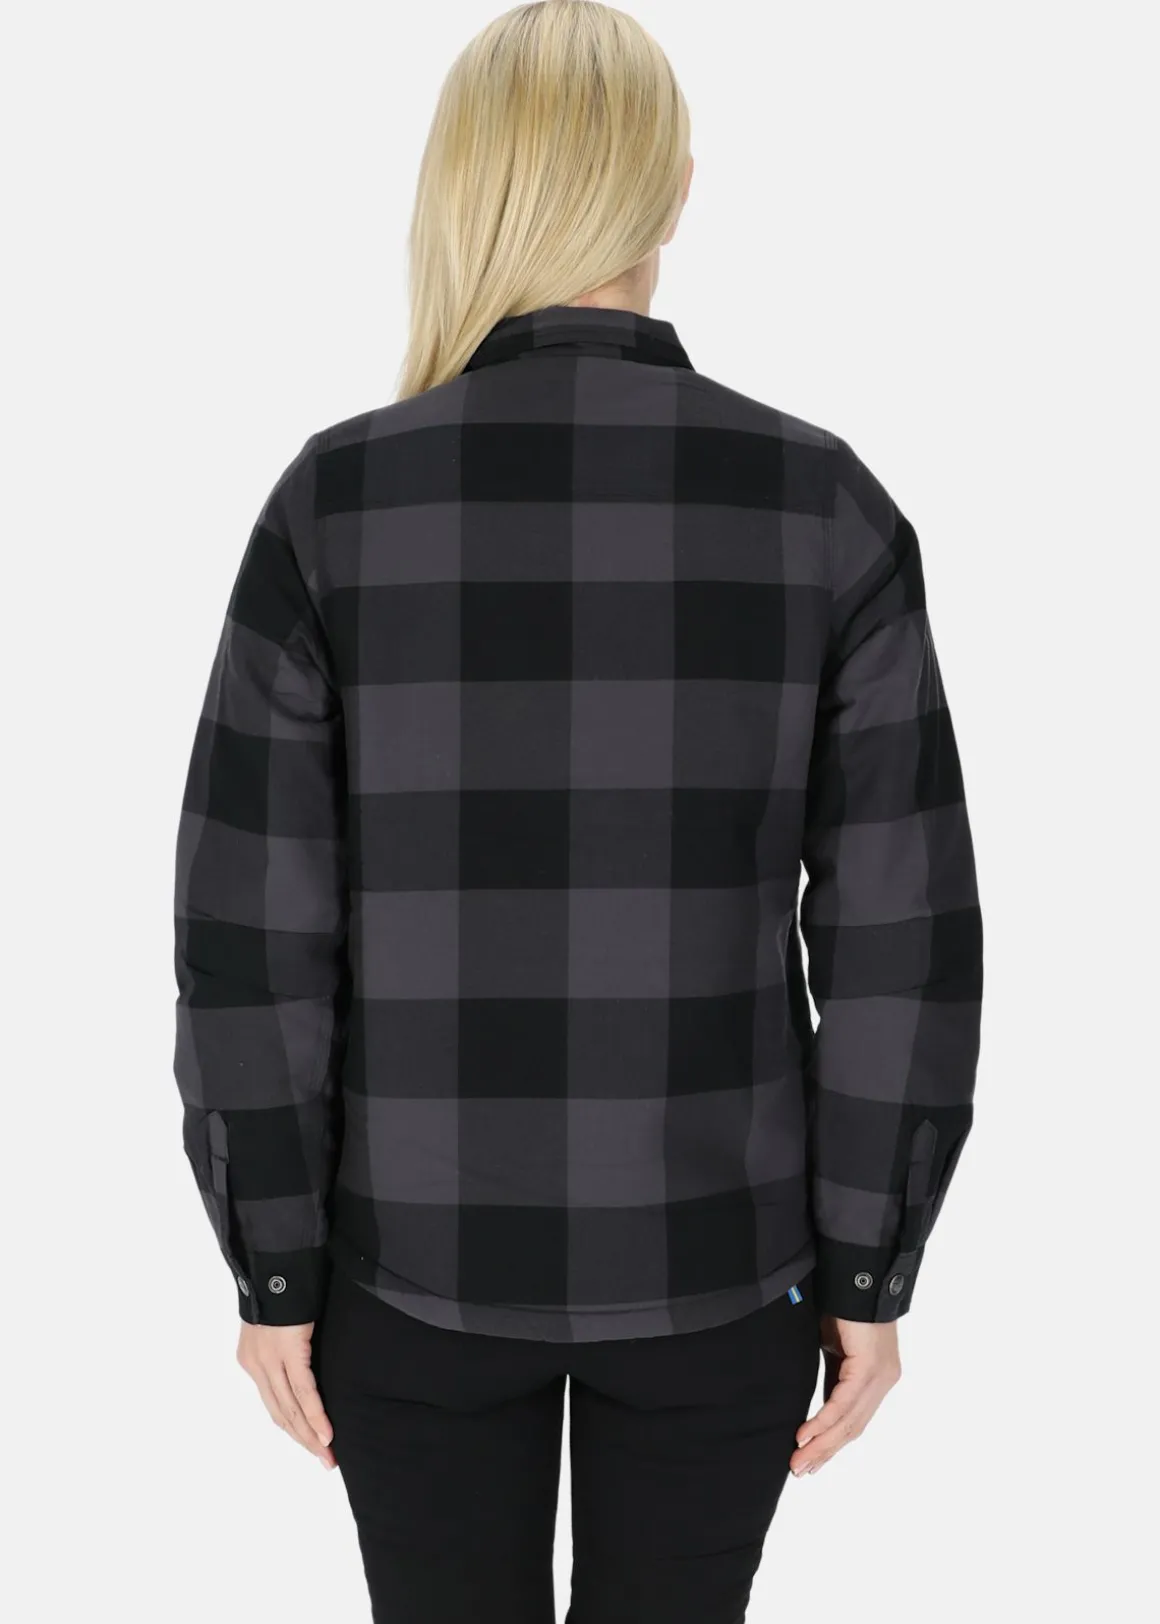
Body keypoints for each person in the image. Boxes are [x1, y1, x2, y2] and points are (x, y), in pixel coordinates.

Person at [172, 3, 983, 1620]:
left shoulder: (335, 504)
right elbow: (899, 931)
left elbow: (254, 933)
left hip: (409, 1269)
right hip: (722, 1268)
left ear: (461, 185)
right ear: (675, 188)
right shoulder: (821, 503)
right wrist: (869, 1261)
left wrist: (273, 1262)